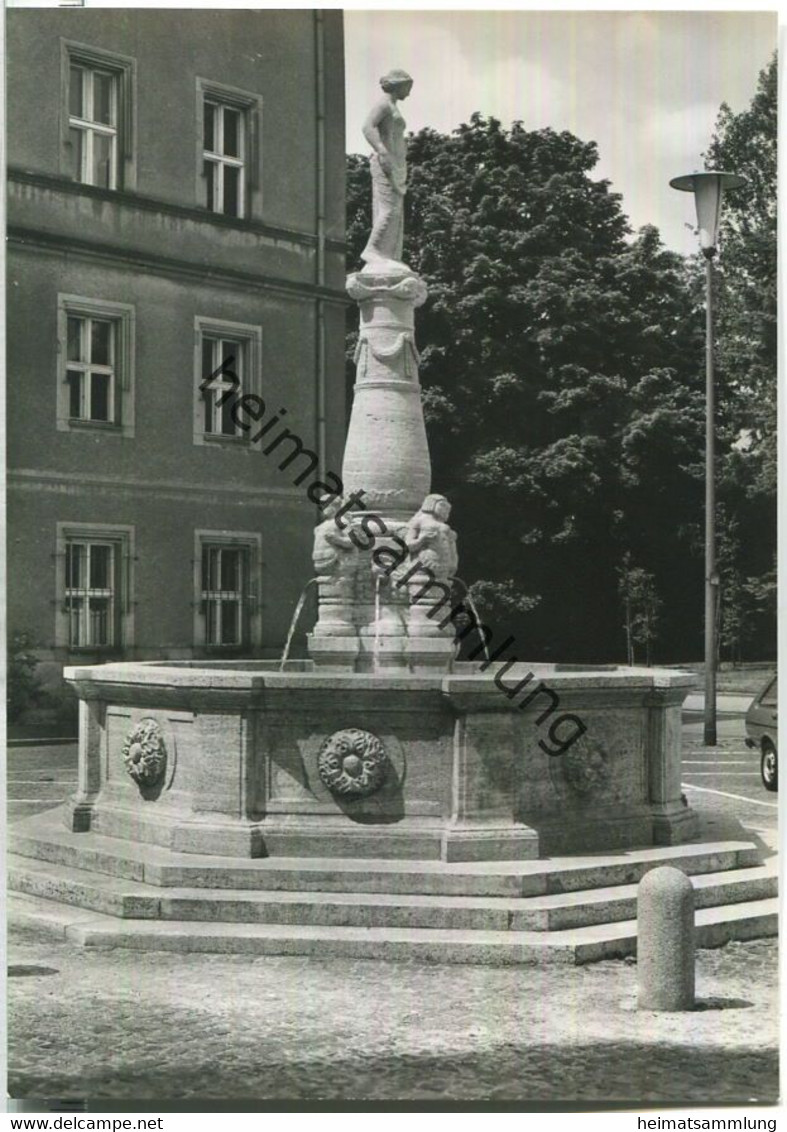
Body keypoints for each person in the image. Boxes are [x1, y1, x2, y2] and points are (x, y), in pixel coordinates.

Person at [361, 69, 413, 269]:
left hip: (397, 164)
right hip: (386, 163)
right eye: (407, 88)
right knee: (389, 209)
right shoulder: (383, 104)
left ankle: (389, 254)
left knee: (396, 211)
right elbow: (367, 127)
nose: (408, 93)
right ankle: (372, 251)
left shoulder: (393, 106)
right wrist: (382, 151)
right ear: (398, 84)